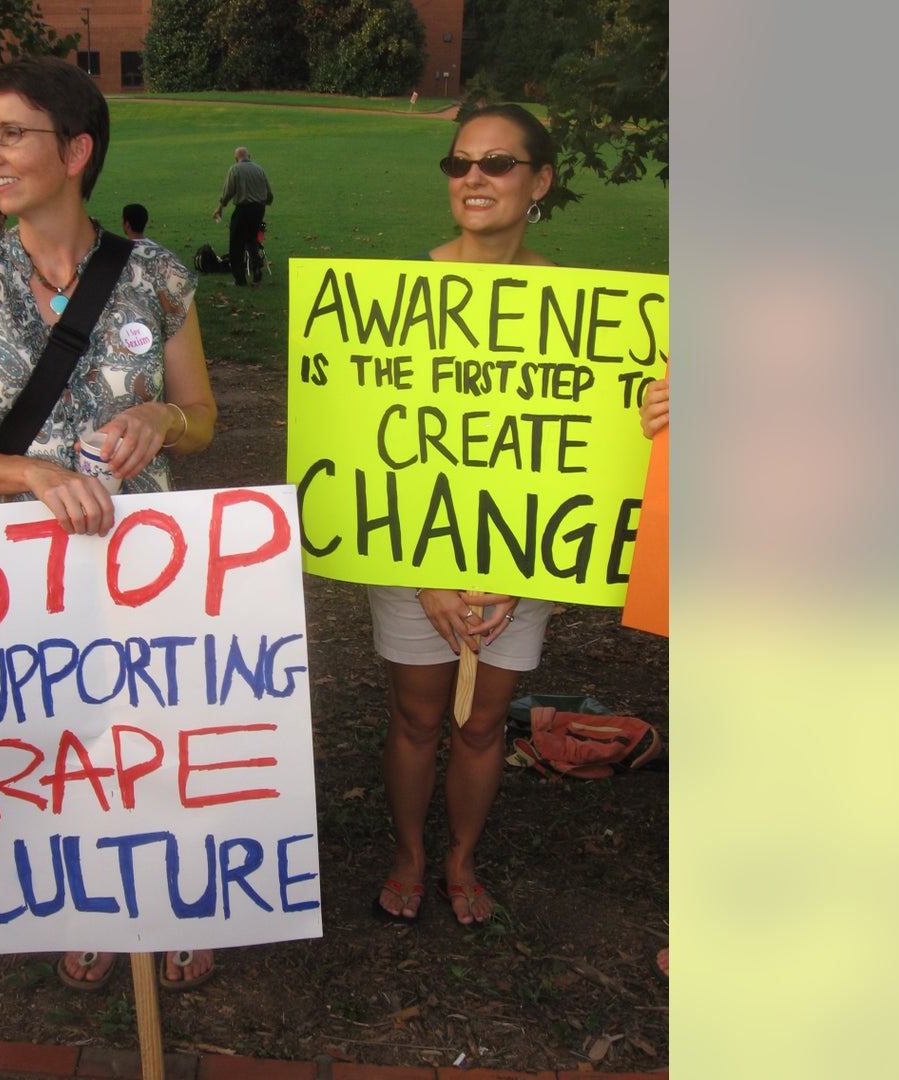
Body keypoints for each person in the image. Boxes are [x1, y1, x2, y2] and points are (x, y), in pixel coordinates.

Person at [0, 56, 219, 990]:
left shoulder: (157, 275)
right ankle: (86, 892)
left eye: (11, 134)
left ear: (77, 149)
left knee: (155, 728)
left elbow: (203, 418)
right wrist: (32, 472)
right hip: (17, 565)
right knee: (57, 737)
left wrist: (161, 419)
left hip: (145, 559)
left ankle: (173, 896)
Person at [370, 103, 559, 927]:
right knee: (417, 716)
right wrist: (426, 574)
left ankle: (460, 856)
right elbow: (372, 447)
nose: (474, 178)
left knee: (483, 725)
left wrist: (655, 410)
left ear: (540, 179)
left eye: (497, 163)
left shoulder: (582, 313)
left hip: (524, 558)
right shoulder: (397, 298)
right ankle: (411, 852)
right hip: (413, 556)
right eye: (460, 164)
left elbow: (577, 451)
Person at [211, 146, 272, 286]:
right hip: (259, 209)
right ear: (249, 156)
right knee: (252, 239)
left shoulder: (235, 169)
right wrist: (263, 203)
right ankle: (256, 268)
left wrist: (220, 208)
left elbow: (228, 191)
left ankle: (240, 279)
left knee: (236, 243)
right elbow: (268, 193)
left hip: (243, 209)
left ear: (236, 158)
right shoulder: (259, 169)